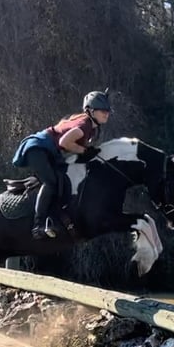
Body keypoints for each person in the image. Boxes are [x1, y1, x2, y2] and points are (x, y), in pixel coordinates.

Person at [12, 89, 112, 239]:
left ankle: (54, 216)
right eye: (102, 110)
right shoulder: (84, 125)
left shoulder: (91, 127)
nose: (106, 113)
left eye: (108, 110)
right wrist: (84, 151)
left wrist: (86, 151)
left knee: (63, 177)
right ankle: (37, 226)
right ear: (90, 111)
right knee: (51, 183)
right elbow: (64, 142)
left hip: (49, 151)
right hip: (38, 148)